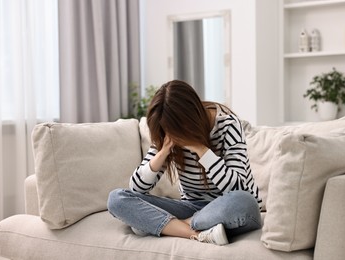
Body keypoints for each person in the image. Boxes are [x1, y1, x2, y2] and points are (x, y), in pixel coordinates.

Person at [107, 80, 262, 246]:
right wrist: (163, 152)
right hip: (192, 206)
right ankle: (196, 233)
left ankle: (166, 225)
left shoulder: (228, 126)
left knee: (243, 201)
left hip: (229, 208)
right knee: (117, 198)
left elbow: (238, 189)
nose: (174, 136)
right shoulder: (167, 130)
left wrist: (200, 149)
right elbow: (137, 188)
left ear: (191, 118)